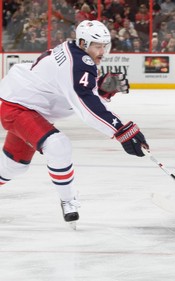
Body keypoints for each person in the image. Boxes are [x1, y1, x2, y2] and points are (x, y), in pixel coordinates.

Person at [0, 20, 149, 229]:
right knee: (58, 145)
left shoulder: (76, 54)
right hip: (18, 107)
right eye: (97, 46)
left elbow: (70, 88)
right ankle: (68, 200)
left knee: (13, 167)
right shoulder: (79, 63)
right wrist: (121, 131)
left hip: (27, 104)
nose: (102, 51)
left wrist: (99, 89)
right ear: (82, 42)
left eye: (105, 46)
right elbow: (86, 107)